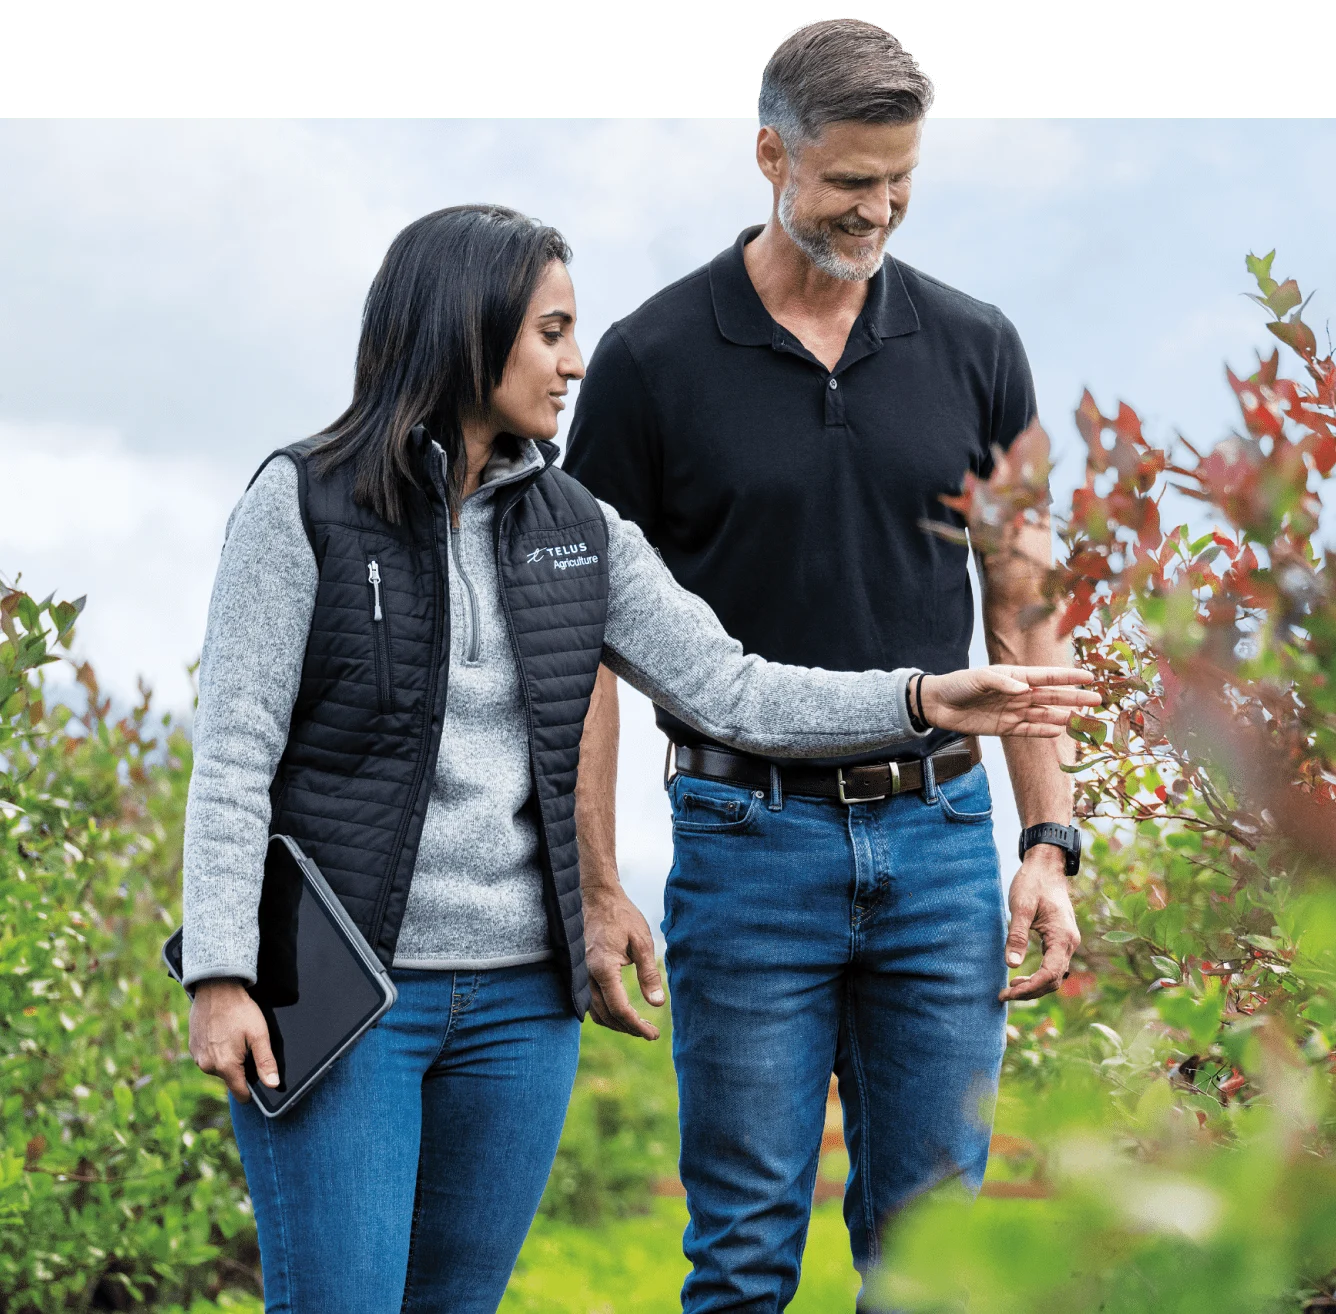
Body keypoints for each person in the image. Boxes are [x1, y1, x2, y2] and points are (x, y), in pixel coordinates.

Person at [182, 204, 1095, 1314]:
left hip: (521, 1002)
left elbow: (734, 686)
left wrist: (919, 696)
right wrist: (223, 969)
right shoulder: (306, 503)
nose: (575, 363)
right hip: (344, 990)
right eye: (551, 332)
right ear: (466, 329)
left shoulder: (576, 527)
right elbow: (234, 752)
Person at [562, 18, 1085, 1312]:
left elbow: (1024, 615)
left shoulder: (977, 347)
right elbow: (583, 655)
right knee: (740, 1261)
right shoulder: (648, 361)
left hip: (941, 840)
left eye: (903, 180)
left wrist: (1050, 841)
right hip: (746, 839)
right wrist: (592, 882)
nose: (881, 209)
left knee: (930, 1267)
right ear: (768, 156)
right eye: (852, 182)